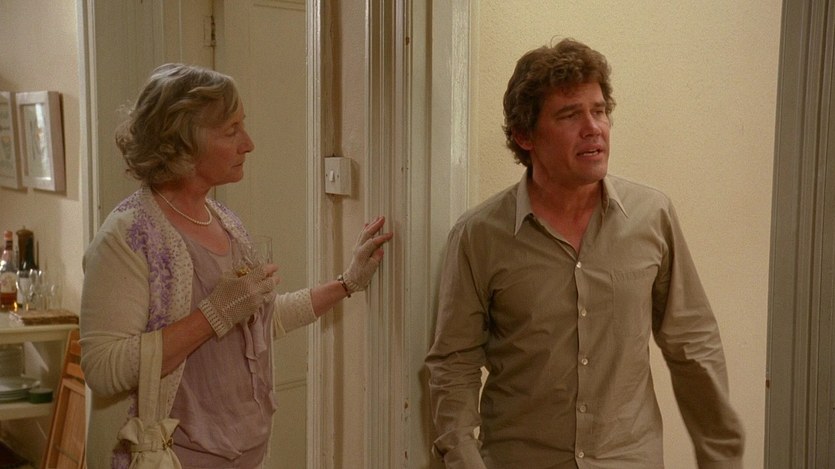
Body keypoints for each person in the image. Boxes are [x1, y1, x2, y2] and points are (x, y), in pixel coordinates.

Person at [425, 38, 744, 469]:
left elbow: (693, 345)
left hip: (627, 459)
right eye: (570, 115)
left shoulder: (652, 217)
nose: (593, 127)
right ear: (524, 135)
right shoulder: (479, 236)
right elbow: (453, 364)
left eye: (599, 110)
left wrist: (721, 459)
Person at [80, 63, 393, 468]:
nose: (249, 144)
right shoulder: (127, 236)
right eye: (231, 131)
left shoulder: (223, 219)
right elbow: (103, 369)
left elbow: (260, 320)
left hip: (248, 455)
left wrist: (348, 282)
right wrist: (214, 314)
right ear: (182, 142)